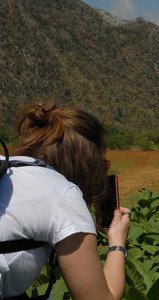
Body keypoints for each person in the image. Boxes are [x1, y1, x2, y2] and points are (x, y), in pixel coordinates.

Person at [0, 102, 130, 299]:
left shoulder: (7, 170)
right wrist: (117, 242)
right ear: (88, 165)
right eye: (102, 165)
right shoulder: (63, 194)